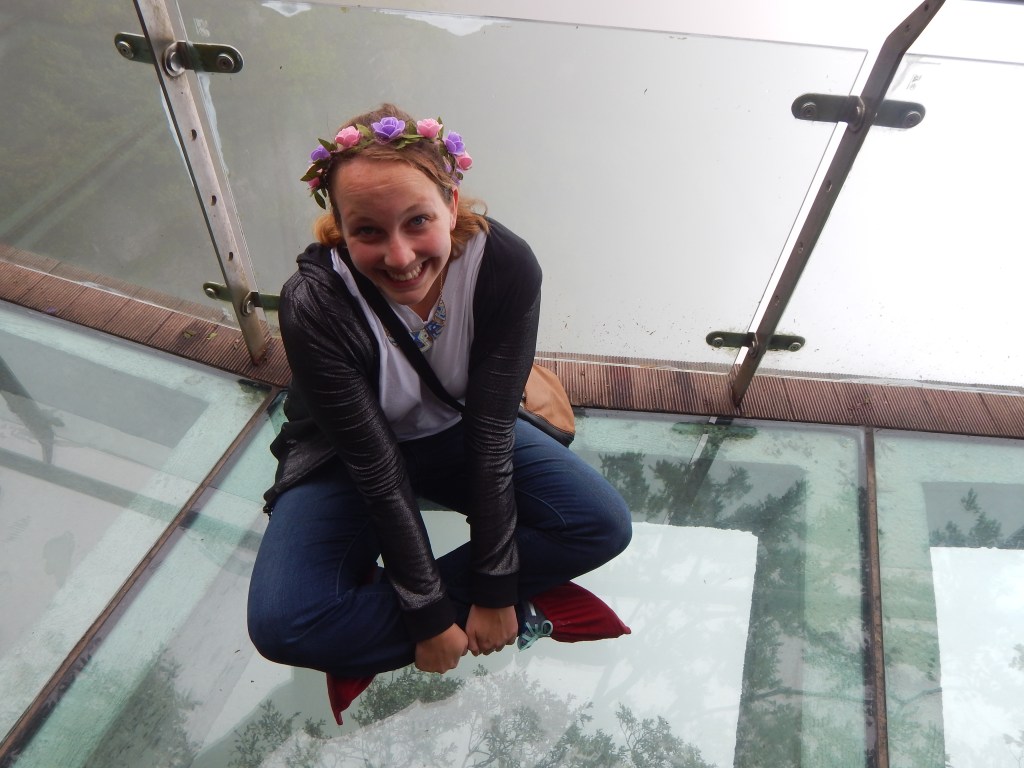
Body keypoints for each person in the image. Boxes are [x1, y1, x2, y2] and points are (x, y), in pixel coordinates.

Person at [247, 104, 632, 702]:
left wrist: (496, 589)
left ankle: (393, 624)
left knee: (600, 523)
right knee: (283, 623)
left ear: (452, 203)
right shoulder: (315, 303)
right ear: (340, 228)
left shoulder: (504, 265)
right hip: (346, 460)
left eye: (418, 221)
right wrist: (428, 615)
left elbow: (489, 433)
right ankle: (506, 607)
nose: (399, 257)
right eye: (368, 231)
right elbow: (376, 469)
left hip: (461, 434)